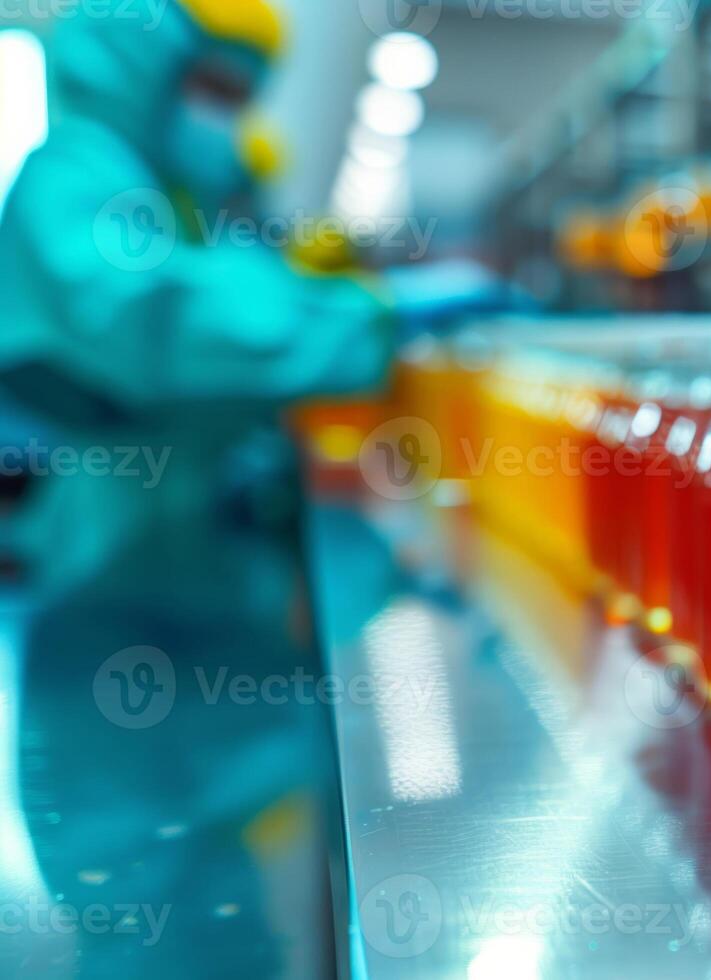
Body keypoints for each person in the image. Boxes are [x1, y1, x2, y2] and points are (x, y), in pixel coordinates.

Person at [0, 2, 396, 973]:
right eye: (210, 87)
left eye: (238, 96)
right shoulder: (73, 178)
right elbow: (157, 322)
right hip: (107, 567)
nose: (222, 116)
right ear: (143, 63)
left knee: (210, 876)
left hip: (197, 579)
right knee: (130, 868)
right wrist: (353, 321)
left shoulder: (168, 193)